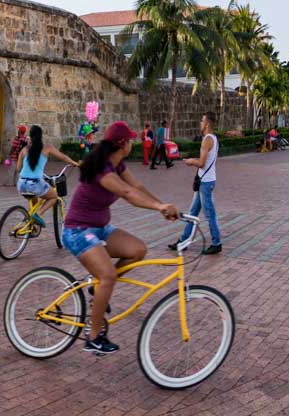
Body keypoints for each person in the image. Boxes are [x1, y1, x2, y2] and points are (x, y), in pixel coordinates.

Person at [62, 121, 179, 355]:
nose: (133, 143)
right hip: (77, 231)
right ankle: (93, 337)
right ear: (123, 144)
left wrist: (163, 204)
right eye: (131, 140)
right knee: (108, 275)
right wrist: (158, 207)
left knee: (138, 250)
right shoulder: (102, 170)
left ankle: (98, 290)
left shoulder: (118, 165)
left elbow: (137, 186)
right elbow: (127, 193)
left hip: (100, 228)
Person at [170, 111, 223, 255]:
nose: (200, 123)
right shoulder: (213, 138)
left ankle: (216, 242)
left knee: (209, 213)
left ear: (206, 124)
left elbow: (201, 163)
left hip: (205, 183)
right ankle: (184, 241)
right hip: (205, 181)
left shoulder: (207, 139)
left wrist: (190, 161)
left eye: (201, 120)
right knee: (193, 212)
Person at [17, 125, 79, 225]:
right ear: (41, 136)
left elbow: (18, 168)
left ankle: (31, 223)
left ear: (30, 136)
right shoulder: (47, 147)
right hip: (35, 182)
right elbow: (63, 157)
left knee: (34, 199)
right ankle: (39, 214)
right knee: (54, 196)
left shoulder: (24, 149)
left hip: (21, 183)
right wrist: (74, 163)